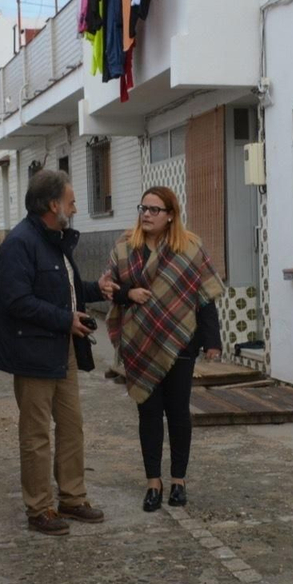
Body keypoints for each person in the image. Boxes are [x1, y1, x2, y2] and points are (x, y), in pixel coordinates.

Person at [0, 170, 106, 536]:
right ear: (53, 205)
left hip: (62, 348)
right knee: (36, 433)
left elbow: (64, 290)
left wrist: (97, 289)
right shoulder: (19, 244)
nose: (75, 206)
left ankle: (72, 497)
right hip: (32, 352)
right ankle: (39, 508)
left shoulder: (55, 241)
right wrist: (65, 319)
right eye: (70, 200)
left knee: (71, 427)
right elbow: (16, 300)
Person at [98, 186, 225, 512]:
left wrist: (212, 341)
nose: (147, 214)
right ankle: (153, 482)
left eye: (155, 210)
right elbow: (108, 288)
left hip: (181, 341)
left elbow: (205, 298)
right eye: (144, 208)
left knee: (179, 412)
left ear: (170, 215)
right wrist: (129, 294)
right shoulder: (126, 247)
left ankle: (178, 481)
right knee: (148, 412)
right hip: (139, 342)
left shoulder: (190, 248)